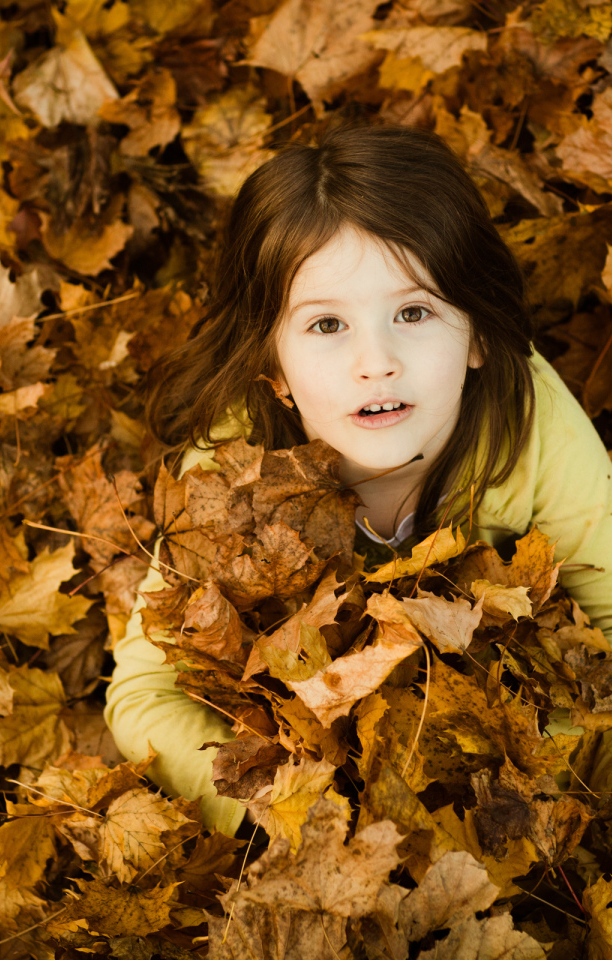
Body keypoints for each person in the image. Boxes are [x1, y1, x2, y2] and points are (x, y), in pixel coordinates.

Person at [104, 124, 612, 834]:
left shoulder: (533, 428)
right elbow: (143, 695)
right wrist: (297, 816)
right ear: (273, 364)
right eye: (325, 325)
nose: (376, 361)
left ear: (479, 336)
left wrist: (502, 789)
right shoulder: (232, 468)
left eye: (413, 312)